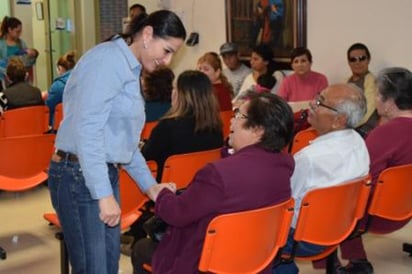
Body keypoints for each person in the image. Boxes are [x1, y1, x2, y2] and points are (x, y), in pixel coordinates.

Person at [47, 10, 186, 274]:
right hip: (78, 175)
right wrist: (103, 194)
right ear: (147, 35)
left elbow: (124, 142)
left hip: (99, 172)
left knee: (107, 266)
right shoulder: (108, 61)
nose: (167, 60)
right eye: (166, 50)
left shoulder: (129, 68)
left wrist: (151, 187)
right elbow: (88, 131)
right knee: (94, 268)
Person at [132, 92, 295, 274]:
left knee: (141, 249)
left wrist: (159, 193)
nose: (231, 121)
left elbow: (177, 214)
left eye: (238, 116)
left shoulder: (218, 174)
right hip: (254, 260)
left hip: (206, 263)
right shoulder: (284, 166)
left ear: (257, 130)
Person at [273, 83, 370, 274]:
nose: (311, 103)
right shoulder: (359, 142)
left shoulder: (309, 158)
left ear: (339, 120)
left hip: (304, 238)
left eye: (320, 102)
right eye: (317, 97)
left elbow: (283, 201)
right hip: (340, 228)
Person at [337, 68, 412, 274]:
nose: (375, 100)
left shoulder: (384, 134)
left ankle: (356, 261)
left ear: (389, 101)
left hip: (380, 215)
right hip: (406, 208)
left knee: (334, 196)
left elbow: (363, 180)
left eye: (378, 95)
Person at [142, 70, 224, 181]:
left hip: (167, 193)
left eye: (175, 88)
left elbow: (145, 159)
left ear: (180, 94)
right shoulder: (216, 128)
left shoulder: (166, 128)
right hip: (203, 189)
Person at [346, 42, 378, 137]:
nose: (357, 62)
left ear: (368, 60)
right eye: (353, 59)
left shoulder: (373, 82)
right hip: (347, 130)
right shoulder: (345, 82)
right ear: (349, 62)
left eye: (362, 58)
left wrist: (343, 127)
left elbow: (366, 112)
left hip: (365, 132)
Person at [0, 16, 38, 89]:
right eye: (17, 31)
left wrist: (32, 55)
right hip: (3, 79)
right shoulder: (1, 44)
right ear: (10, 30)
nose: (19, 34)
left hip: (20, 79)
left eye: (20, 31)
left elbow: (27, 62)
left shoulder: (21, 43)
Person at [45, 50, 76, 130]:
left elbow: (48, 109)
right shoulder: (82, 80)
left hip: (60, 128)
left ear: (60, 68)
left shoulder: (57, 86)